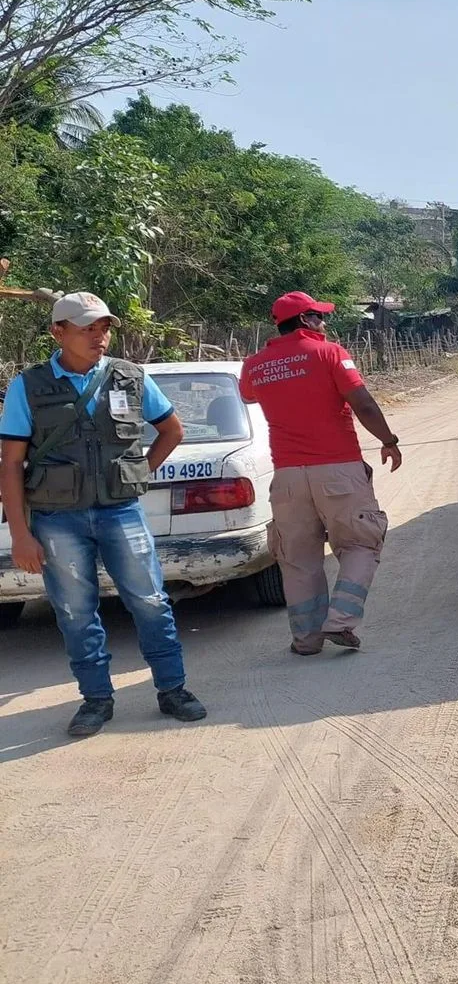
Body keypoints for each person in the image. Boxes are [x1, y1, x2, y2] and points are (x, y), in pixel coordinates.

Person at [0, 292, 207, 737]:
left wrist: (137, 473)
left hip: (121, 513)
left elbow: (172, 430)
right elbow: (11, 462)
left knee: (151, 602)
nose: (100, 336)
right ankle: (96, 700)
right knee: (75, 613)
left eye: (104, 327)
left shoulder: (129, 377)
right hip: (57, 520)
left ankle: (173, 690)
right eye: (87, 328)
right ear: (58, 332)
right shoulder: (29, 386)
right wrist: (20, 533)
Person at [239, 292, 401, 656]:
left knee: (298, 558)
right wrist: (388, 440)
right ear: (307, 321)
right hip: (339, 468)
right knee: (361, 542)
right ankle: (341, 621)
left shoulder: (254, 365)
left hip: (288, 477)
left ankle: (306, 640)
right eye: (320, 317)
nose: (324, 323)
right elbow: (362, 402)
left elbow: (249, 396)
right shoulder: (330, 353)